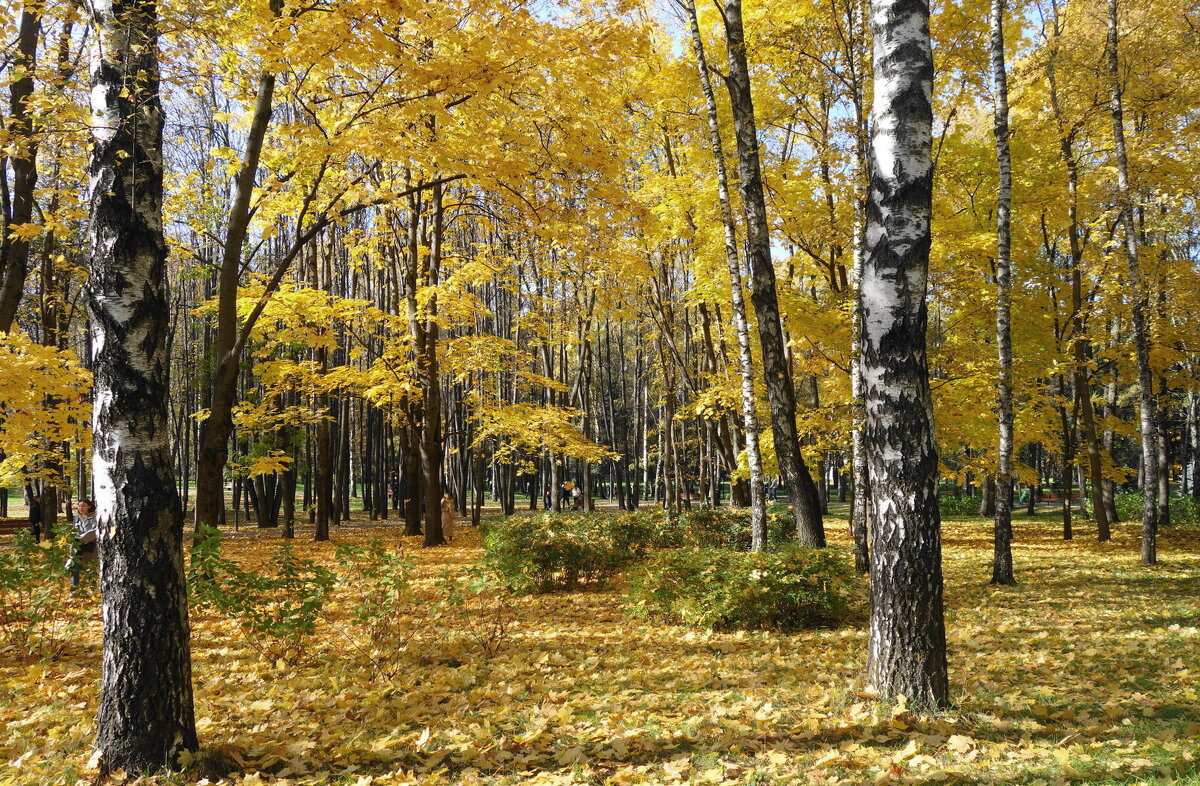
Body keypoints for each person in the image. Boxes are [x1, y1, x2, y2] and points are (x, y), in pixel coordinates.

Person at [69, 498, 99, 588]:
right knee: (74, 566)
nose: (81, 508)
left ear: (89, 506)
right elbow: (74, 530)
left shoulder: (95, 517)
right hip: (77, 546)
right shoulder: (76, 518)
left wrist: (81, 538)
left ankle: (92, 588)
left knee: (90, 568)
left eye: (83, 506)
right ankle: (74, 587)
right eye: (79, 505)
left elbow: (95, 531)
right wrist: (73, 537)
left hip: (90, 546)